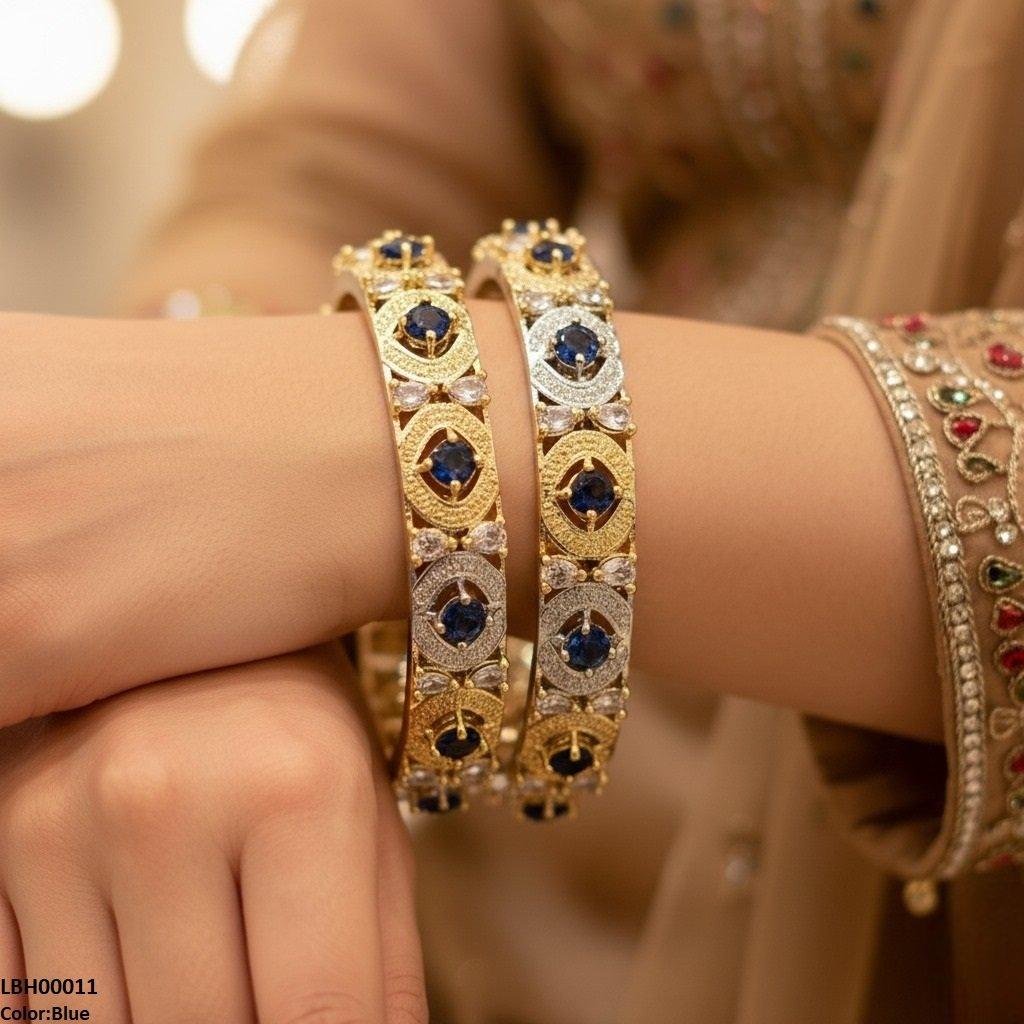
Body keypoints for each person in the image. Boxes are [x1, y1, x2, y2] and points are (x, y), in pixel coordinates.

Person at [0, 0, 1022, 1020]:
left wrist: (378, 448)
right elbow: (320, 175)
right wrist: (217, 639)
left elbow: (310, 455)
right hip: (520, 913)